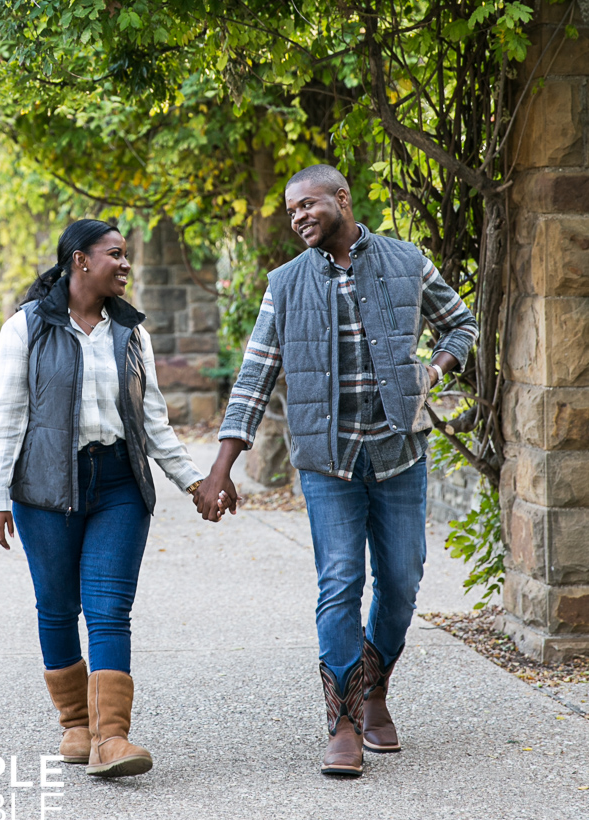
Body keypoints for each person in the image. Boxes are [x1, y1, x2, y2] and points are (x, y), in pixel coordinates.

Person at [193, 165, 479, 778]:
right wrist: (220, 469)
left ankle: (374, 690)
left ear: (342, 200)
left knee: (402, 579)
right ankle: (343, 719)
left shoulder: (407, 261)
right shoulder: (285, 283)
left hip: (399, 452)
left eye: (307, 204)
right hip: (329, 461)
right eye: (291, 209)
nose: (298, 216)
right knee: (341, 580)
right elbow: (256, 374)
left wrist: (433, 372)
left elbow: (462, 323)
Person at [0, 218, 205, 778]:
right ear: (80, 260)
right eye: (115, 254)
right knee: (57, 607)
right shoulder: (26, 328)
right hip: (46, 488)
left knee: (110, 612)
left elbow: (153, 422)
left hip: (118, 485)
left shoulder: (132, 333)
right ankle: (76, 727)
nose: (125, 264)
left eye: (126, 254)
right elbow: (8, 418)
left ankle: (113, 739)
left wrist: (192, 481)